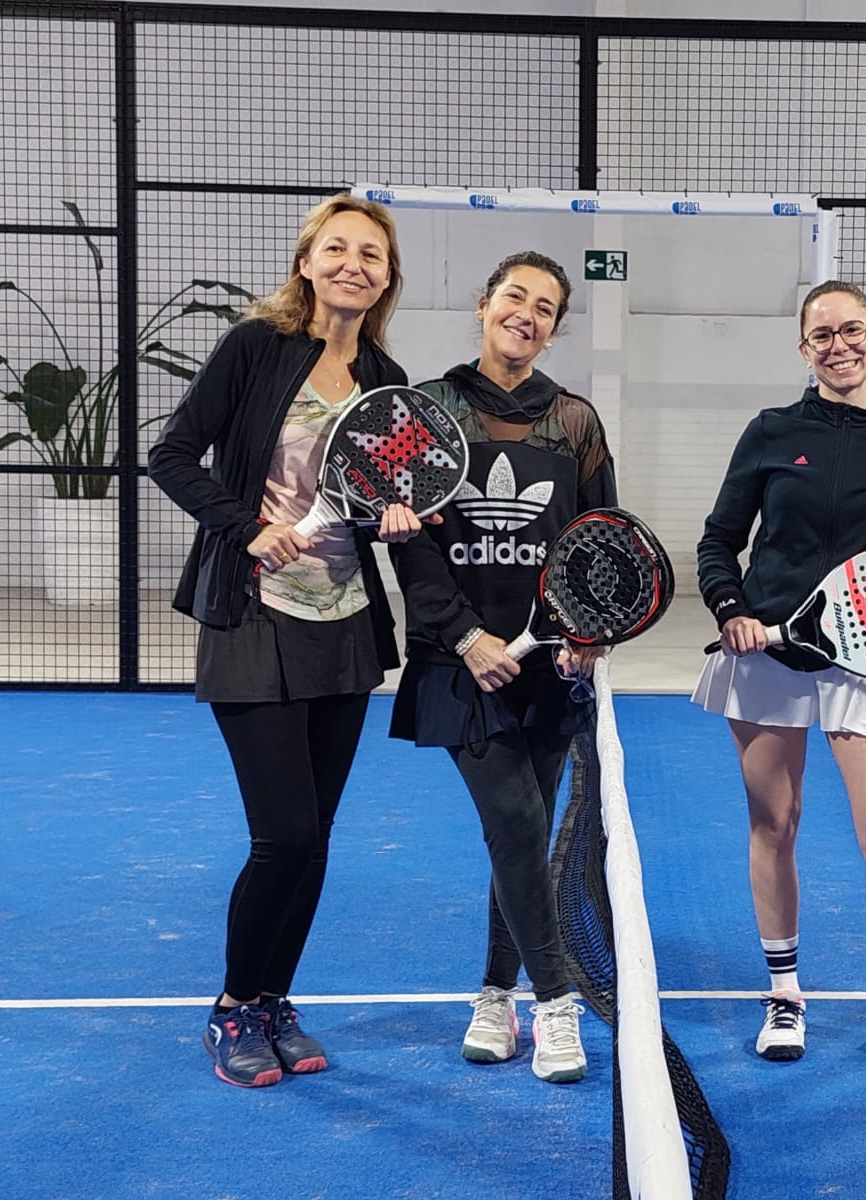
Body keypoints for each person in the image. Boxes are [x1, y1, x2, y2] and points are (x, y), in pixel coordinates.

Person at [149, 195, 423, 1088]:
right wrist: (246, 527)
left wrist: (394, 518)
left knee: (317, 839)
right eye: (335, 248)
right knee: (284, 835)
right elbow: (172, 454)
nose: (353, 264)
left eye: (370, 254)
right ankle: (233, 1008)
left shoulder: (386, 377)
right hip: (254, 616)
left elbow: (379, 498)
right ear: (306, 262)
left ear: (386, 277)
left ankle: (274, 1001)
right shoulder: (254, 346)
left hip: (345, 623)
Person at [695, 281, 866, 1069]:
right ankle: (784, 994)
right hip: (768, 657)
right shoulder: (771, 431)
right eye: (822, 335)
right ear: (804, 348)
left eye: (852, 331)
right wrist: (730, 608)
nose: (838, 345)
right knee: (774, 825)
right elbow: (718, 540)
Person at [388, 250, 612, 1085]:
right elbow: (407, 544)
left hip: (549, 663)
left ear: (555, 328)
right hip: (459, 662)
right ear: (483, 306)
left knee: (523, 834)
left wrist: (588, 629)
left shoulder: (576, 421)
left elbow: (601, 539)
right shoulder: (430, 409)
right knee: (516, 823)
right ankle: (554, 1002)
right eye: (515, 297)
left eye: (545, 307)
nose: (527, 314)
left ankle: (494, 994)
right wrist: (465, 637)